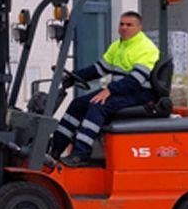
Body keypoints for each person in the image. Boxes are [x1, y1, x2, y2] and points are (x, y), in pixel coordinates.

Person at [52, 11, 160, 166]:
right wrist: (72, 76)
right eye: (122, 24)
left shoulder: (146, 48)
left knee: (97, 106)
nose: (124, 28)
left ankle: (81, 154)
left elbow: (135, 80)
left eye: (129, 25)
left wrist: (110, 90)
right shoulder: (118, 45)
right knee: (78, 104)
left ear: (139, 27)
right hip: (121, 90)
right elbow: (99, 69)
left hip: (140, 93)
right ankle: (55, 150)